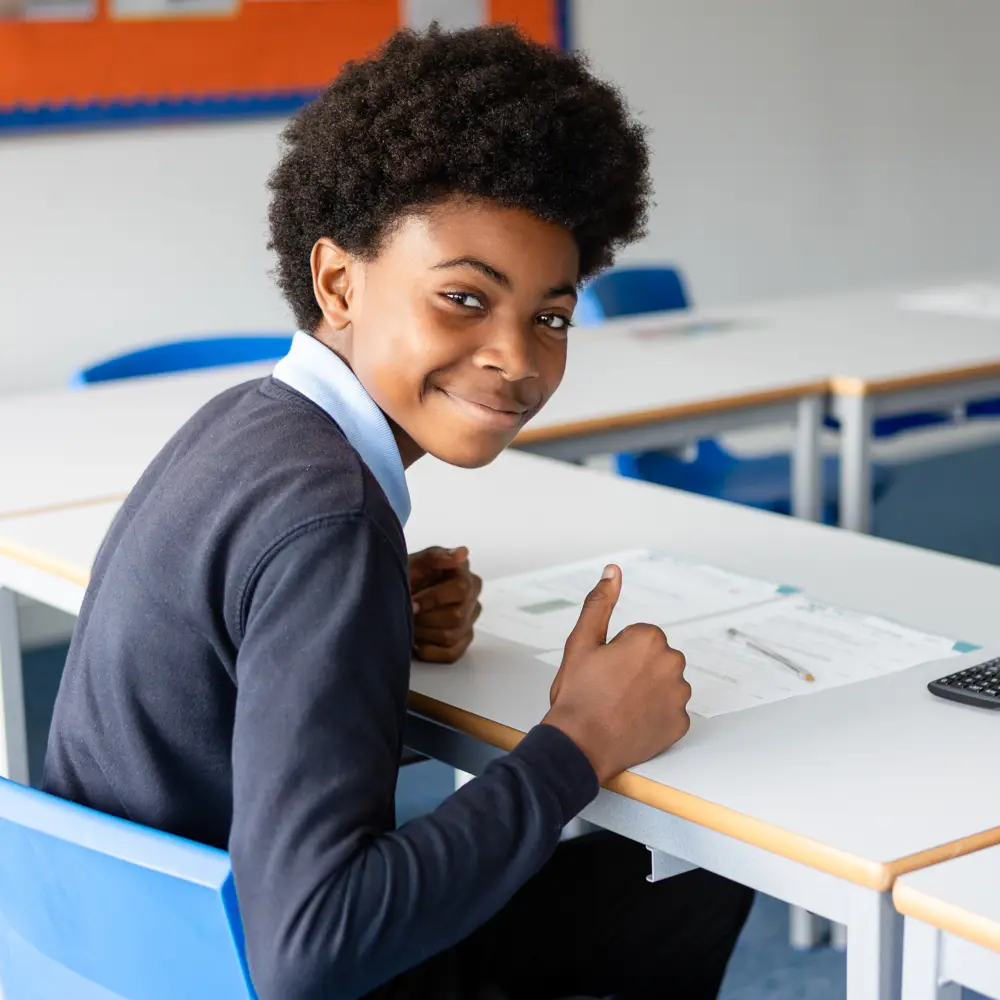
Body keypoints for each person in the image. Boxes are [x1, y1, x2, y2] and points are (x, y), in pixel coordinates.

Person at [44, 23, 752, 1000]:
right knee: (692, 888)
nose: (517, 354)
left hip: (128, 952)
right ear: (338, 281)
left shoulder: (253, 425)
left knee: (673, 893)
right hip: (236, 966)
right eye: (465, 297)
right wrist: (580, 740)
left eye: (550, 315)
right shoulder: (327, 512)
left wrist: (380, 611)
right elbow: (311, 948)